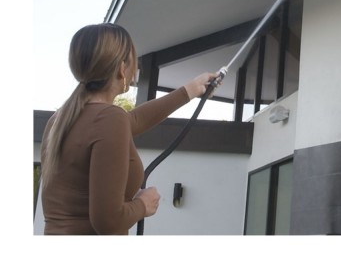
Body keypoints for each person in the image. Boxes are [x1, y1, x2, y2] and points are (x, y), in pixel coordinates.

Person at [40, 23, 220, 235]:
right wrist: (143, 204)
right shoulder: (109, 119)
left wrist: (191, 89)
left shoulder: (59, 120)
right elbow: (108, 222)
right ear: (121, 68)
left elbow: (133, 120)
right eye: (134, 61)